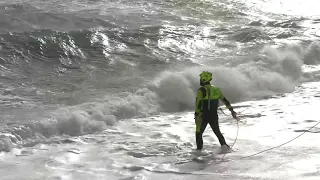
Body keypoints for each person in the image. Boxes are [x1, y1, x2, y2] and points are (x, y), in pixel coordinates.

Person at [194, 71, 238, 151]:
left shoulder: (201, 90)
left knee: (198, 133)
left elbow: (199, 104)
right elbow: (225, 100)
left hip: (203, 116)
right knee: (217, 132)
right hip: (214, 115)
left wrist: (196, 116)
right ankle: (225, 147)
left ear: (203, 79)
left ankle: (199, 152)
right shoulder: (216, 89)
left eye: (201, 78)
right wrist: (232, 111)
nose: (200, 80)